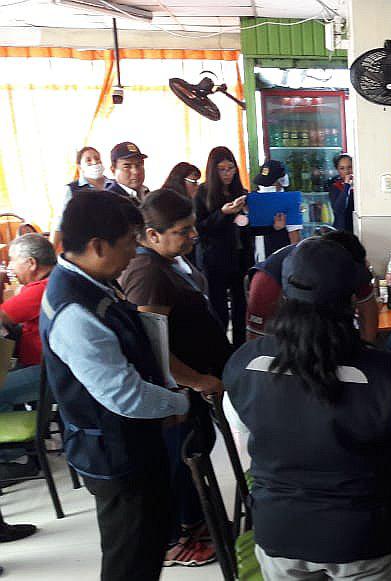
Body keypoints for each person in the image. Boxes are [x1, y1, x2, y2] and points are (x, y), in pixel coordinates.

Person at [224, 237, 391, 581]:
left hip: (281, 530)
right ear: (350, 303)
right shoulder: (385, 374)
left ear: (284, 296)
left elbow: (245, 436)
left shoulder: (243, 365)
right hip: (364, 535)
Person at [41, 191, 198, 581]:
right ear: (96, 246)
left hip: (130, 444)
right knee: (129, 558)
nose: (134, 253)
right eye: (129, 244)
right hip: (115, 455)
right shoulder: (75, 311)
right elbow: (124, 395)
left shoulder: (91, 282)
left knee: (146, 547)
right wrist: (180, 403)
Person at [119, 190, 232, 567]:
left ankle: (198, 524)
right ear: (152, 235)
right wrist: (197, 380)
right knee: (181, 462)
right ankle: (179, 539)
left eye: (192, 229)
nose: (192, 237)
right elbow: (154, 347)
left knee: (196, 452)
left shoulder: (168, 261)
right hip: (178, 392)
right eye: (182, 232)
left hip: (194, 385)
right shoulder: (147, 272)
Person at [246, 229, 378, 343]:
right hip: (285, 339)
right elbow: (256, 346)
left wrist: (366, 353)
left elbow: (368, 310)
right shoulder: (267, 281)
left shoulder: (350, 260)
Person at [0, 234, 56, 479]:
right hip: (46, 370)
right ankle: (20, 452)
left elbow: (3, 316)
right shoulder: (54, 280)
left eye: (13, 261)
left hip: (44, 374)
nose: (10, 267)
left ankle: (16, 458)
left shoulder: (40, 289)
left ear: (31, 263)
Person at [194, 146, 249, 346]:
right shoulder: (203, 192)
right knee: (218, 309)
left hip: (239, 258)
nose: (227, 173)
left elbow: (249, 226)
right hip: (214, 259)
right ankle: (220, 351)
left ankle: (240, 348)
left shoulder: (241, 192)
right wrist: (223, 214)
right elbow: (199, 228)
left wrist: (272, 226)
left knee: (241, 307)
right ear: (213, 171)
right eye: (222, 169)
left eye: (231, 168)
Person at [52, 146, 115, 248]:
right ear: (80, 167)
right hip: (86, 248)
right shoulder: (72, 190)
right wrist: (52, 251)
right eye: (88, 160)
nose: (95, 162)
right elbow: (60, 223)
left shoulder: (113, 185)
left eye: (97, 158)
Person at [250, 159, 301, 263]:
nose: (263, 188)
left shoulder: (288, 200)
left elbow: (294, 237)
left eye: (268, 185)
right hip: (258, 255)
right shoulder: (252, 199)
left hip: (279, 258)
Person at [326, 153, 355, 232]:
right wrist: (347, 186)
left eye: (350, 167)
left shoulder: (361, 185)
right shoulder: (335, 186)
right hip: (343, 230)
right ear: (337, 170)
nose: (346, 171)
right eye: (342, 168)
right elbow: (339, 209)